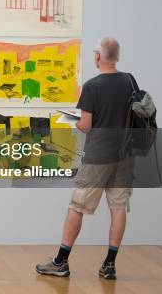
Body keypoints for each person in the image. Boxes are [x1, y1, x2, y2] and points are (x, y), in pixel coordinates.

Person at [36, 37, 135, 280]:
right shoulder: (129, 80)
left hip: (98, 156)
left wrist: (72, 119)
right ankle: (109, 265)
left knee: (77, 206)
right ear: (117, 56)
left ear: (98, 57)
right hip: (124, 155)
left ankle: (60, 262)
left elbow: (86, 125)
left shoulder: (92, 86)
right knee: (118, 207)